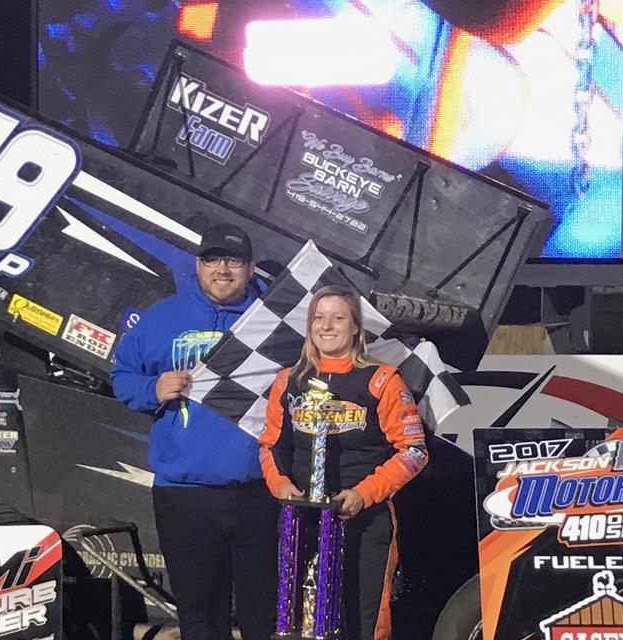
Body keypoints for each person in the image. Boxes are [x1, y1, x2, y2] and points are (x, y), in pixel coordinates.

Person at [111, 222, 276, 640]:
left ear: (251, 267)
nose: (223, 269)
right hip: (184, 496)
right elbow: (122, 374)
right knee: (200, 616)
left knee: (267, 617)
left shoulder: (274, 321)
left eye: (234, 260)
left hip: (261, 493)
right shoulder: (163, 316)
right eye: (213, 259)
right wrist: (153, 388)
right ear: (198, 265)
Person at [258, 285, 429, 640]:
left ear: (355, 328)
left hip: (363, 521)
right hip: (301, 520)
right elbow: (270, 446)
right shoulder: (287, 381)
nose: (327, 326)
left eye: (338, 318)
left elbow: (414, 451)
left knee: (363, 622)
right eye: (318, 318)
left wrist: (363, 494)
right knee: (298, 622)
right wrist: (282, 488)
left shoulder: (382, 380)